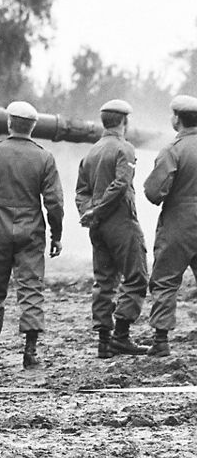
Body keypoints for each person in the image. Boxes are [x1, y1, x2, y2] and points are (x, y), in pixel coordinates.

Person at [0, 100, 64, 370]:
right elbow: (54, 202)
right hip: (31, 226)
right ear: (33, 127)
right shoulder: (44, 157)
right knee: (31, 288)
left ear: (10, 123)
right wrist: (57, 234)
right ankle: (30, 353)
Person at [75, 99, 150, 358]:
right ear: (124, 122)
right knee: (137, 275)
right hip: (120, 221)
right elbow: (120, 184)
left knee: (104, 280)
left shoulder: (91, 153)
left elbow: (81, 191)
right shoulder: (124, 149)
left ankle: (104, 341)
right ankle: (121, 336)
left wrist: (88, 212)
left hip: (98, 227)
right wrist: (99, 210)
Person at [142, 94, 197, 357]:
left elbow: (154, 193)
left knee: (165, 280)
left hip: (179, 221)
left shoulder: (172, 150)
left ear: (177, 118)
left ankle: (161, 341)